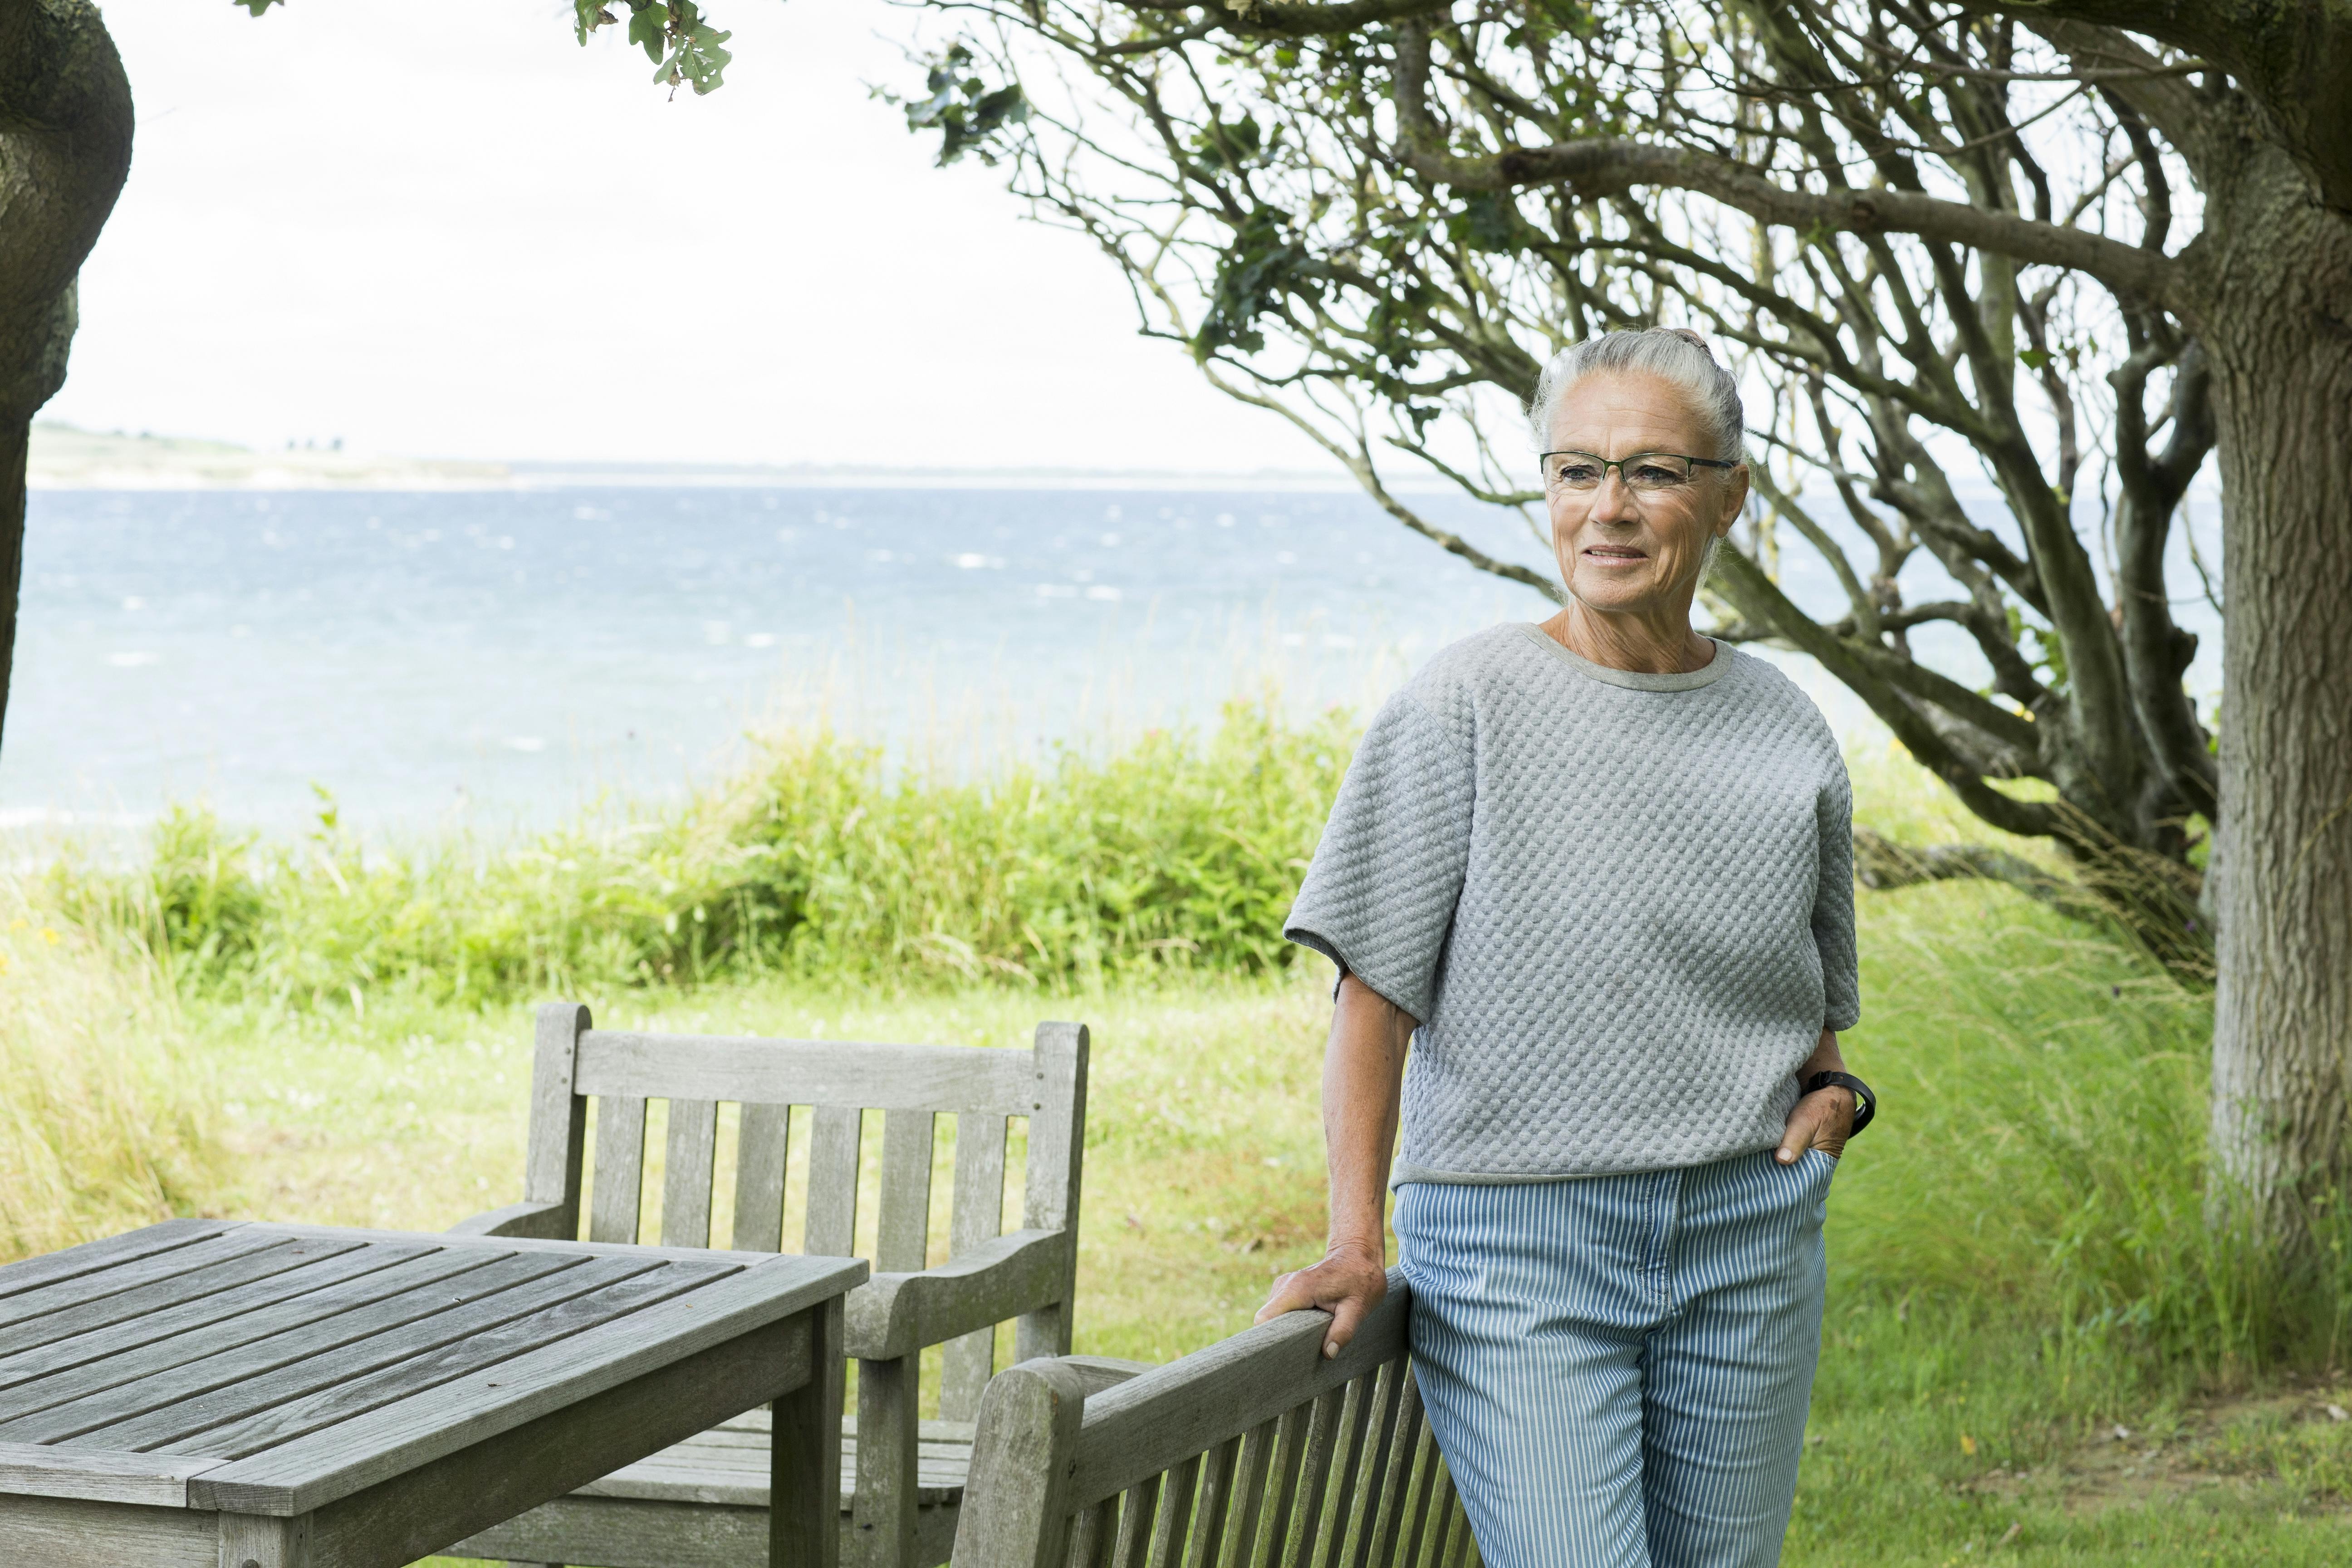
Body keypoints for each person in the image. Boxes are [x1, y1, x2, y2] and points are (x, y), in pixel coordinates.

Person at [1259, 327, 1876, 1568]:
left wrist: (1834, 1098)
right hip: (1515, 1250)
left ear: (1729, 498)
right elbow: (1370, 1005)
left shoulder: (1786, 722)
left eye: (1653, 472)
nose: (1610, 508)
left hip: (1747, 1241)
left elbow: (1805, 1000)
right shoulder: (1462, 703)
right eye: (1577, 471)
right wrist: (1354, 1239)